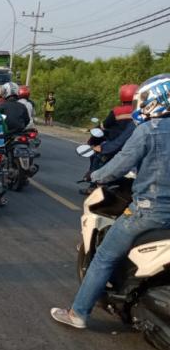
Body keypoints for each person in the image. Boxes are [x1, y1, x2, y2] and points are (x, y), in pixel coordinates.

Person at [51, 74, 170, 329]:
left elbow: (118, 166)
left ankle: (78, 314)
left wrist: (96, 175)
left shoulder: (149, 130)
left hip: (150, 211)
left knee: (104, 257)